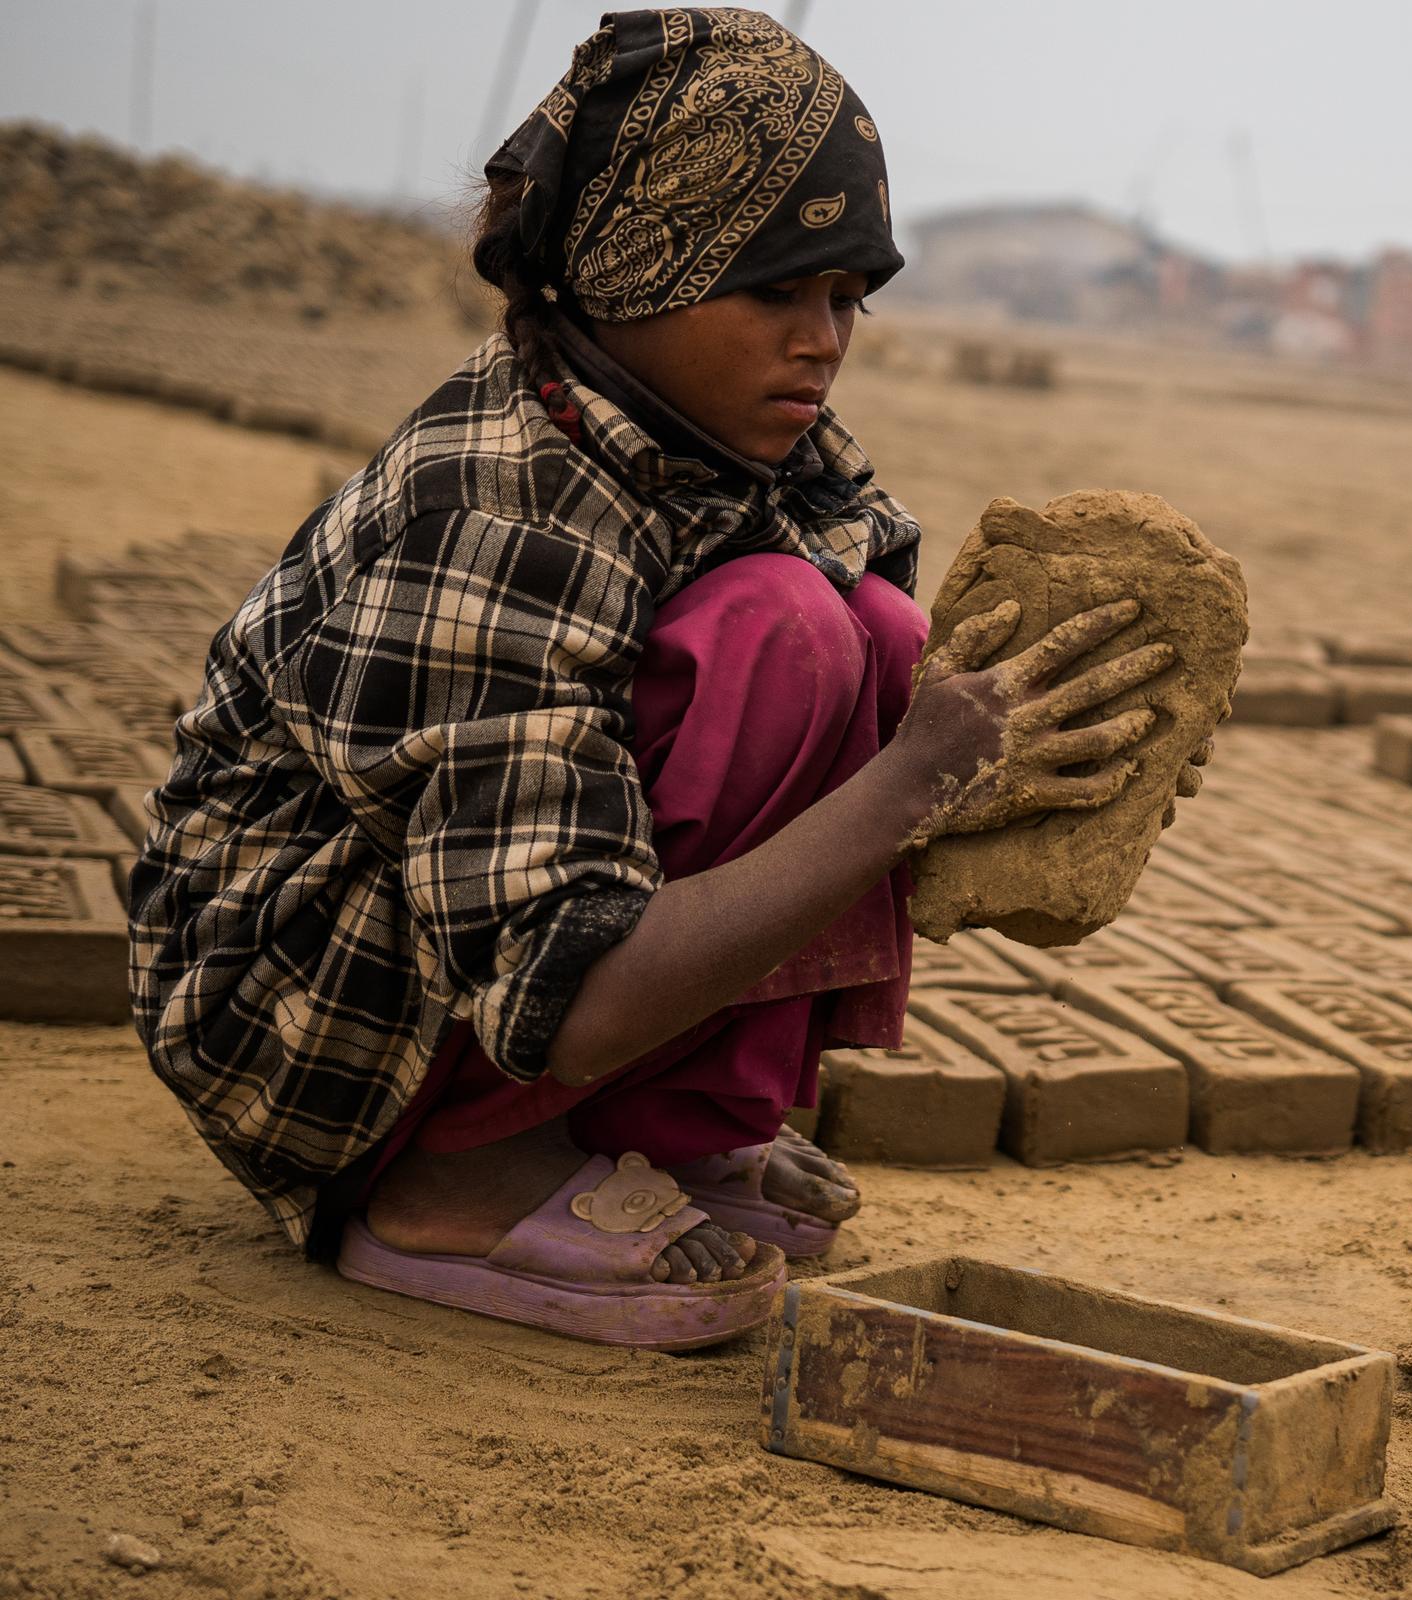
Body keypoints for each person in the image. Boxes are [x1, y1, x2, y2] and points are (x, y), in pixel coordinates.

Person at [129, 8, 1194, 1351]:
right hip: (301, 1013)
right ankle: (451, 1177)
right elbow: (563, 992)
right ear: (639, 264)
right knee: (783, 636)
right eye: (779, 292)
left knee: (861, 626)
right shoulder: (494, 504)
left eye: (849, 297)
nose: (825, 341)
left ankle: (668, 1131)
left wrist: (1037, 767)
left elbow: (884, 699)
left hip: (490, 955)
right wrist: (918, 780)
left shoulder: (737, 446)